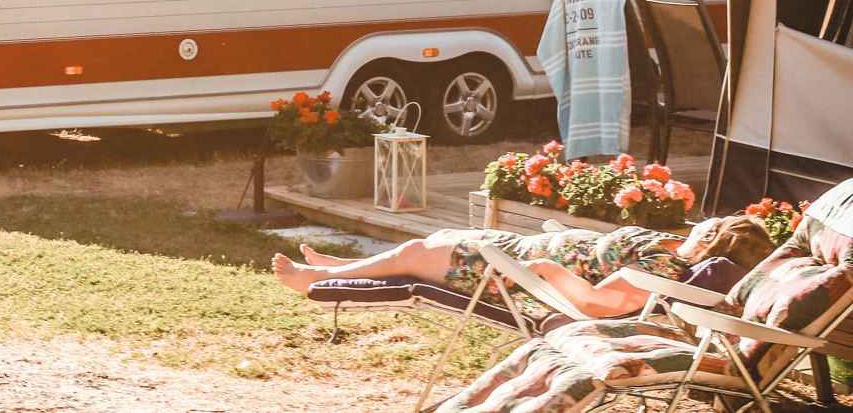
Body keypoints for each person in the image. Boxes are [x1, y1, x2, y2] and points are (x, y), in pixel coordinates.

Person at [271, 214, 775, 319]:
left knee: (412, 256)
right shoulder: (665, 240)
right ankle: (346, 263)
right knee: (436, 239)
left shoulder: (664, 269)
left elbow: (605, 302)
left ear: (714, 247)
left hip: (516, 273)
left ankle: (317, 279)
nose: (707, 225)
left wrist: (546, 272)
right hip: (520, 247)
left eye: (716, 231)